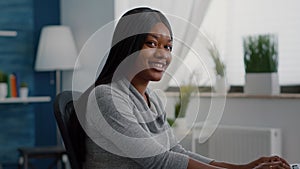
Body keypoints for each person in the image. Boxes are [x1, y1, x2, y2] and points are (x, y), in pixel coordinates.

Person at [74, 7, 291, 169]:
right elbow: (159, 161)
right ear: (128, 46)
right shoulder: (107, 97)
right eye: (152, 43)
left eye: (168, 47)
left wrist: (244, 167)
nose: (163, 54)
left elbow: (175, 151)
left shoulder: (151, 98)